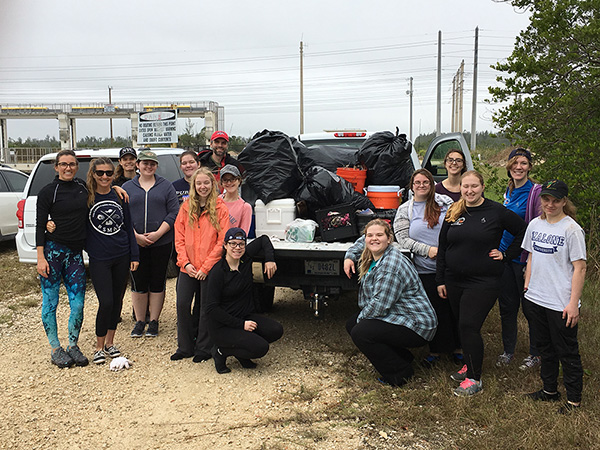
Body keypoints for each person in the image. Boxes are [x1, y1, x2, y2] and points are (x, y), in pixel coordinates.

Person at [436, 170, 526, 397]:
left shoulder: (496, 211)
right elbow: (443, 247)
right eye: (465, 187)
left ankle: (474, 379)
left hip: (484, 280)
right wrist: (440, 279)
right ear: (461, 188)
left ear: (482, 187)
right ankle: (468, 362)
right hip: (454, 279)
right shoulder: (454, 211)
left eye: (474, 186)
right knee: (462, 325)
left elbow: (522, 230)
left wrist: (505, 254)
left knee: (469, 325)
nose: (469, 191)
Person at [343, 219, 438, 386]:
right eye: (370, 235)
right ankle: (402, 358)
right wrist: (349, 256)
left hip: (417, 324)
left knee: (360, 332)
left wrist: (361, 322)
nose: (374, 239)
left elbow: (379, 305)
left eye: (380, 235)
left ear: (389, 239)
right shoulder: (377, 252)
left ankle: (400, 374)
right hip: (400, 314)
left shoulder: (390, 266)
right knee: (352, 324)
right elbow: (362, 242)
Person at [522, 180, 586, 414]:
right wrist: (527, 287)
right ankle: (549, 390)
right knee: (544, 348)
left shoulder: (571, 229)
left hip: (561, 302)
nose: (550, 204)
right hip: (536, 297)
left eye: (556, 200)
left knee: (567, 351)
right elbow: (530, 257)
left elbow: (580, 268)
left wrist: (573, 304)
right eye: (546, 199)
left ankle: (574, 400)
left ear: (564, 201)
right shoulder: (534, 225)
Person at [393, 169, 461, 367]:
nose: (421, 186)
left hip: (451, 266)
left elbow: (459, 225)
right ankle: (436, 351)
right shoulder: (405, 209)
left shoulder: (445, 202)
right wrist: (428, 250)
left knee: (454, 308)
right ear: (411, 186)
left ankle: (459, 348)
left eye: (426, 182)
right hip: (424, 268)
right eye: (417, 183)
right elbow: (403, 239)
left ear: (432, 184)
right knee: (433, 310)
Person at [36, 150, 90, 368]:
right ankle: (56, 348)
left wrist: (114, 187)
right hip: (52, 253)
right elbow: (40, 224)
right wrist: (40, 257)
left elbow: (100, 192)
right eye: (63, 164)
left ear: (77, 166)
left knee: (77, 304)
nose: (68, 168)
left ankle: (73, 345)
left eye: (72, 164)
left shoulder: (82, 188)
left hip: (75, 255)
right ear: (56, 167)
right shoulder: (48, 191)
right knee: (51, 302)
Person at [84, 158, 140, 364]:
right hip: (100, 258)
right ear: (93, 174)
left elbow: (128, 227)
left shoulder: (119, 196)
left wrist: (134, 255)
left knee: (116, 302)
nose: (105, 177)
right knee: (105, 302)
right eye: (100, 173)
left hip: (121, 255)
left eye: (109, 173)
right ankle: (98, 346)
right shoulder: (86, 196)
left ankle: (110, 343)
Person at [171, 167, 230, 362]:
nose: (202, 186)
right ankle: (185, 346)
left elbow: (222, 241)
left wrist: (206, 267)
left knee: (206, 307)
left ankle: (203, 348)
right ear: (193, 186)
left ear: (212, 185)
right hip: (187, 267)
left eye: (206, 183)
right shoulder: (186, 207)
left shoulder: (220, 208)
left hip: (209, 267)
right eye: (199, 183)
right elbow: (178, 238)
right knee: (182, 304)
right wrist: (185, 263)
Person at [205, 228, 283, 374]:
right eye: (232, 244)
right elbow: (211, 309)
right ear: (225, 245)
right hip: (223, 326)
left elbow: (264, 239)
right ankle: (221, 351)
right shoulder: (218, 272)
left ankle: (242, 352)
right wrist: (241, 325)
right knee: (261, 348)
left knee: (276, 330)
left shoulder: (245, 259)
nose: (237, 248)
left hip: (244, 317)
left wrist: (270, 259)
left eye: (241, 244)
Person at [123, 150, 179, 338]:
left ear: (156, 166)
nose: (148, 166)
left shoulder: (166, 186)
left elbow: (173, 213)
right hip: (135, 243)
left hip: (161, 242)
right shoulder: (127, 187)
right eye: (145, 163)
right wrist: (135, 236)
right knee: (138, 281)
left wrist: (157, 234)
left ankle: (154, 320)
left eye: (152, 164)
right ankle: (140, 320)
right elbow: (122, 215)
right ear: (138, 165)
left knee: (157, 281)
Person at [496, 148, 543, 370]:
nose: (518, 167)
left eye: (523, 163)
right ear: (509, 166)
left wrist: (531, 260)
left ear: (529, 167)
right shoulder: (509, 191)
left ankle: (536, 354)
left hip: (524, 260)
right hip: (504, 257)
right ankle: (508, 351)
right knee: (507, 307)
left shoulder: (535, 193)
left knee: (530, 308)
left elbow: (539, 228)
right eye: (515, 163)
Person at [219, 164, 252, 234]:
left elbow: (243, 234)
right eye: (225, 180)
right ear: (221, 183)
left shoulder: (245, 207)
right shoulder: (215, 201)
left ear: (239, 181)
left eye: (232, 179)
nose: (229, 183)